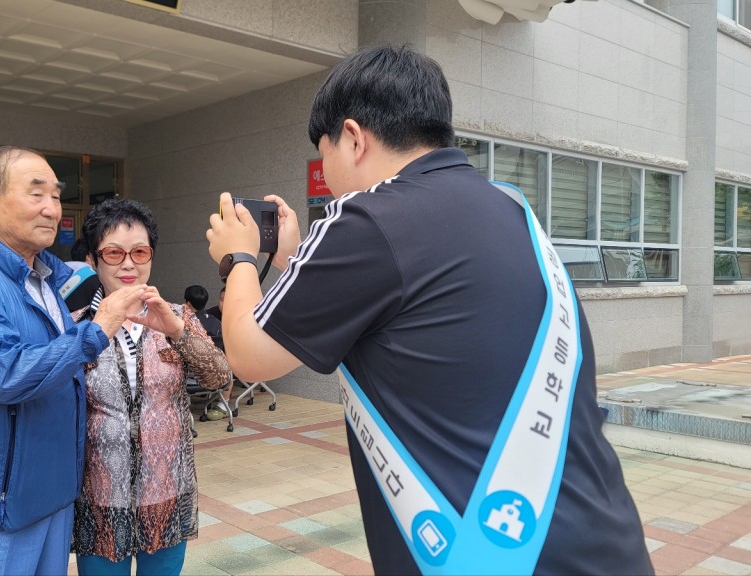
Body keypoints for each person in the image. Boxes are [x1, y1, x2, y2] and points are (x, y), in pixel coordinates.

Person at [206, 45, 652, 575]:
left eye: (324, 156)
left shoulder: (367, 219)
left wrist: (237, 258)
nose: (327, 177)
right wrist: (296, 260)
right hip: (601, 537)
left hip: (486, 557)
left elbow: (250, 355)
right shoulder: (510, 208)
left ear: (353, 137)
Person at [0, 146, 145, 576]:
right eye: (36, 194)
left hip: (52, 497)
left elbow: (54, 369)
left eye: (56, 196)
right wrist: (98, 329)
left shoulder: (49, 280)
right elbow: (5, 374)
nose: (51, 209)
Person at [72, 198, 231, 575]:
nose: (128, 263)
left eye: (139, 251)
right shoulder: (75, 325)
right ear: (94, 260)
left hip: (166, 490)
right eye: (114, 253)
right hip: (99, 496)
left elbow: (220, 377)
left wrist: (176, 332)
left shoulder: (175, 315)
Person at [183, 285, 230, 421]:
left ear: (188, 303)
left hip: (193, 379)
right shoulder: (217, 322)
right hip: (219, 376)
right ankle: (223, 404)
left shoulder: (184, 324)